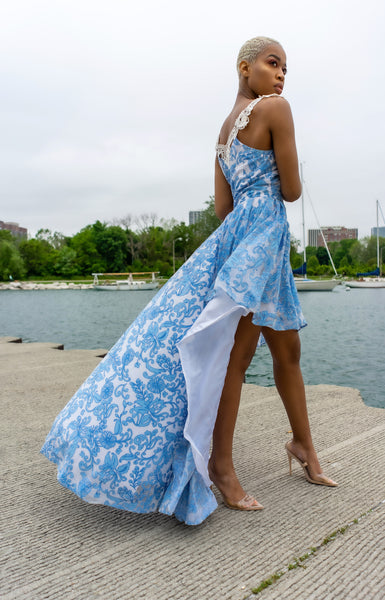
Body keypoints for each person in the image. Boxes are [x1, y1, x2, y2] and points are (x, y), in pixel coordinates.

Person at [41, 36, 336, 526]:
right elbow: (291, 190)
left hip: (243, 238)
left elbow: (223, 209)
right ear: (246, 68)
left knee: (286, 352)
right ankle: (221, 468)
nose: (282, 75)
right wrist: (283, 173)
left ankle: (303, 445)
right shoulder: (276, 109)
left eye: (286, 68)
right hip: (263, 236)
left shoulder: (222, 136)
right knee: (237, 358)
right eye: (273, 63)